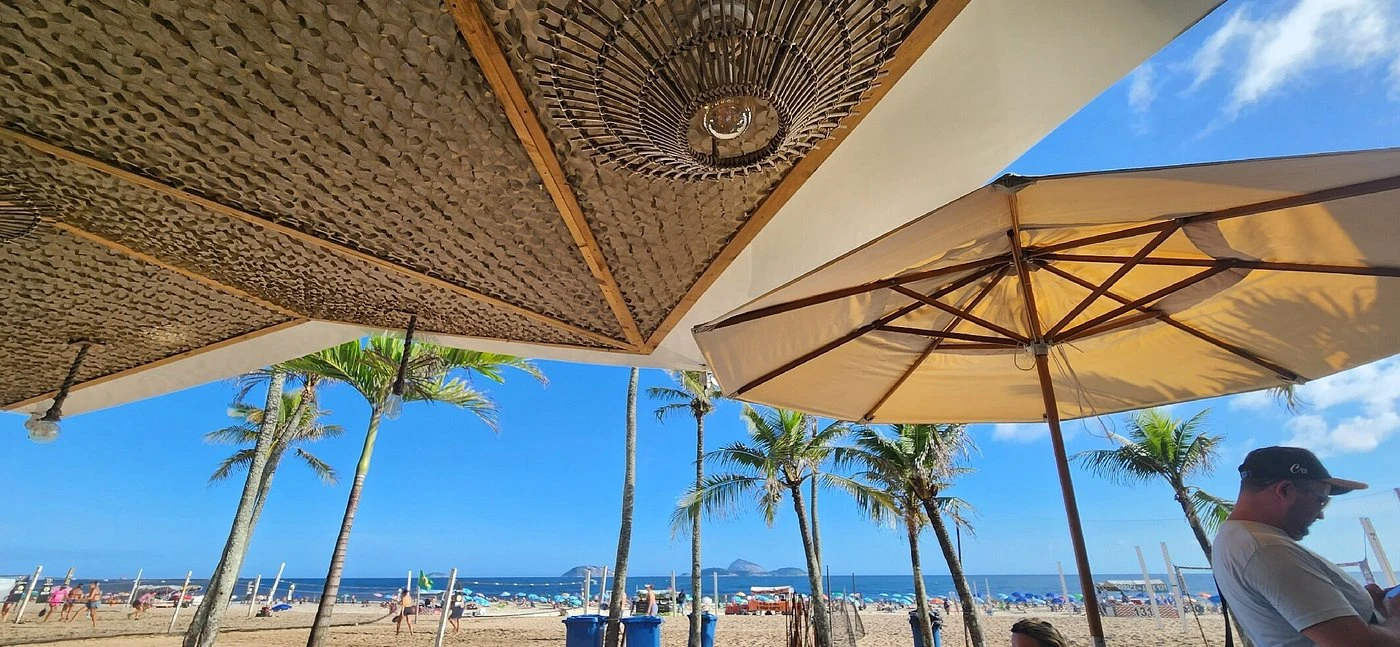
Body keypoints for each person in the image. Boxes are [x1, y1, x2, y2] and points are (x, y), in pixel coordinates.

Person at [1212, 446, 1400, 647]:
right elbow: (1357, 643)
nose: (1321, 514)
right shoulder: (1267, 549)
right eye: (1320, 501)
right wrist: (1396, 616)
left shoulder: (1236, 538)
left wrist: (1358, 602)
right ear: (1284, 490)